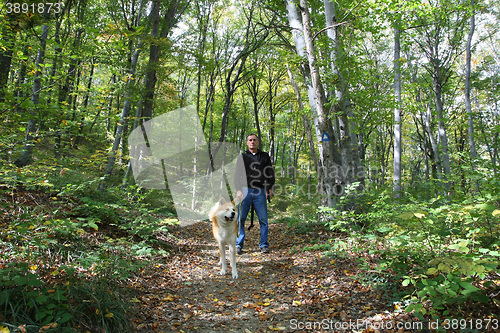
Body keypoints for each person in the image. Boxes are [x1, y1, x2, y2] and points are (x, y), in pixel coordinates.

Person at [234, 134, 275, 254]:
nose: (252, 142)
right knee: (240, 219)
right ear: (247, 142)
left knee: (263, 220)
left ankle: (264, 245)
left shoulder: (264, 156)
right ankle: (238, 245)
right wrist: (238, 189)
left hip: (260, 191)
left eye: (254, 140)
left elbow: (269, 173)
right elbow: (237, 174)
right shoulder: (243, 156)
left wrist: (270, 188)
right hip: (245, 190)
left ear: (258, 142)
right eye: (250, 140)